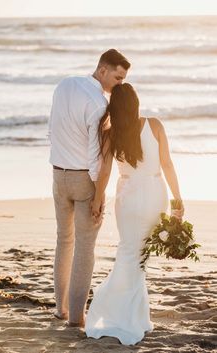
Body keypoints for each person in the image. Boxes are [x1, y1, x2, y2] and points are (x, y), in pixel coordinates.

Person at [85, 83, 184, 344]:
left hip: (127, 197)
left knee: (130, 251)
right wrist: (177, 198)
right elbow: (168, 164)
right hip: (154, 193)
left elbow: (105, 172)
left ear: (114, 108)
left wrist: (97, 201)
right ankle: (134, 317)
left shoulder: (110, 133)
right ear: (136, 103)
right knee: (140, 256)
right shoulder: (155, 125)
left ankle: (130, 315)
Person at [48, 49, 130, 328]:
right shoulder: (99, 105)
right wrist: (99, 196)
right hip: (84, 180)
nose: (119, 84)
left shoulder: (65, 84)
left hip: (58, 175)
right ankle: (76, 317)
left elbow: (52, 129)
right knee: (84, 247)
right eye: (118, 77)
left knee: (64, 241)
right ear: (103, 70)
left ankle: (61, 310)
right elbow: (97, 158)